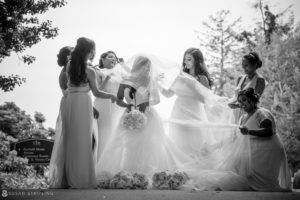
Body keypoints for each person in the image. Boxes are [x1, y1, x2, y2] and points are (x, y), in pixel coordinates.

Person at [96, 55, 191, 179]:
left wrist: (144, 105)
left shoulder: (150, 81)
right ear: (138, 67)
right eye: (145, 67)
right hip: (128, 114)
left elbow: (156, 100)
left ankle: (145, 173)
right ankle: (129, 171)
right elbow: (119, 100)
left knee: (146, 144)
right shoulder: (125, 81)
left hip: (147, 115)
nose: (147, 69)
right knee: (128, 144)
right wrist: (129, 106)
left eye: (149, 67)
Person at [51, 37, 117, 189]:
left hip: (69, 102)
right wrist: (112, 96)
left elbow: (65, 84)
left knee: (69, 138)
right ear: (90, 51)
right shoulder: (89, 70)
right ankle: (81, 178)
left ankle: (66, 178)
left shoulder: (69, 65)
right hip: (82, 102)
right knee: (83, 140)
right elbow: (97, 92)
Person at [160, 48, 215, 161]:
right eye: (185, 59)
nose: (186, 62)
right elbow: (168, 94)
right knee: (179, 140)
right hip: (178, 111)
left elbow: (204, 100)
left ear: (197, 61)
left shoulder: (202, 78)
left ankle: (197, 164)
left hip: (194, 111)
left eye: (189, 59)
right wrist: (159, 83)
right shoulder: (180, 76)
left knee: (195, 141)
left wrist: (191, 84)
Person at [236, 88, 291, 191]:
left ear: (252, 100)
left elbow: (268, 131)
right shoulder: (243, 117)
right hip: (254, 151)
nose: (241, 104)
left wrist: (248, 132)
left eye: (244, 100)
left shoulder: (261, 113)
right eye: (239, 102)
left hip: (267, 151)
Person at [93, 51, 125, 160]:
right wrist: (107, 78)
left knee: (117, 133)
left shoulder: (121, 73)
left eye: (115, 58)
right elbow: (97, 90)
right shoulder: (99, 71)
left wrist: (124, 65)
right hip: (103, 103)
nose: (113, 59)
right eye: (110, 57)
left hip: (118, 104)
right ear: (102, 59)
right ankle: (101, 162)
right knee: (105, 133)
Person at [49, 46, 73, 188]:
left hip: (74, 102)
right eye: (72, 54)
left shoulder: (71, 70)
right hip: (69, 103)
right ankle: (65, 176)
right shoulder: (64, 73)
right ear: (66, 57)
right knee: (68, 139)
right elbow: (66, 92)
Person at [228, 52, 266, 122]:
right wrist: (227, 102)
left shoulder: (260, 80)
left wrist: (237, 106)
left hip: (248, 114)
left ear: (254, 65)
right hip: (234, 113)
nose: (244, 68)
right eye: (243, 65)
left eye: (246, 65)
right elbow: (235, 97)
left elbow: (254, 101)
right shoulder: (240, 78)